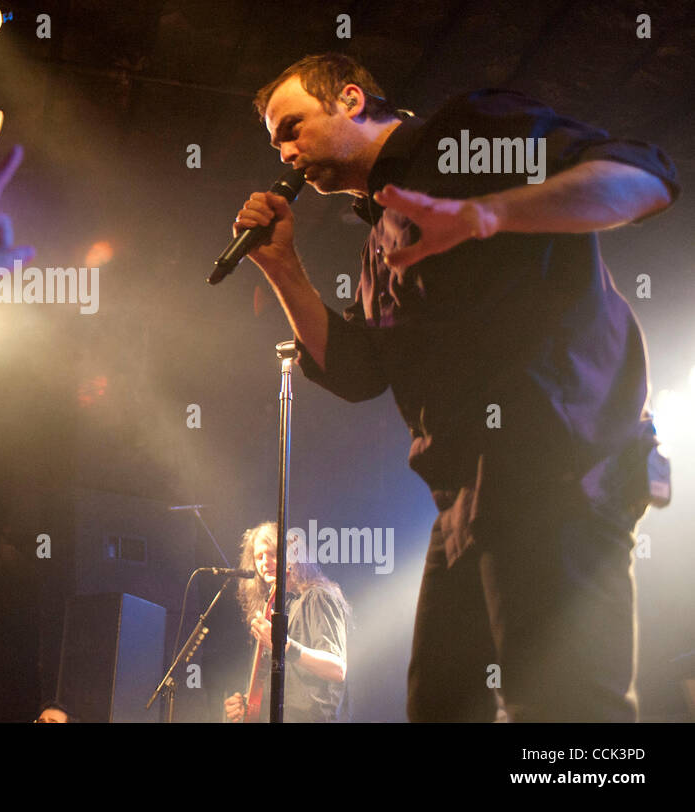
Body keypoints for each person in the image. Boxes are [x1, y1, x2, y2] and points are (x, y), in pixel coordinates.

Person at [233, 53, 678, 721]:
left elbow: (643, 176)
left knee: (567, 712)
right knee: (443, 707)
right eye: (275, 142)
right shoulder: (379, 238)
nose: (285, 151)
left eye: (292, 126)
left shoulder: (462, 134)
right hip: (467, 497)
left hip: (554, 462)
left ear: (351, 99)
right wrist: (283, 266)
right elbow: (356, 372)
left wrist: (486, 215)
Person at [223, 523, 349, 723]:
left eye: (272, 554)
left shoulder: (317, 597)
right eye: (259, 557)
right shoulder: (269, 608)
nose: (265, 562)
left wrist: (283, 645)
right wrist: (249, 704)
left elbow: (337, 669)